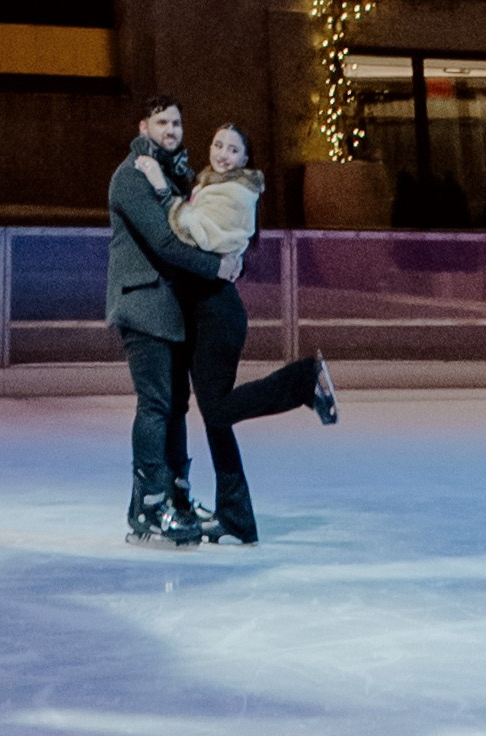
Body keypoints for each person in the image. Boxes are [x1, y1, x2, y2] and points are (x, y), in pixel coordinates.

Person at [175, 118, 338, 544]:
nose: (223, 153)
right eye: (218, 144)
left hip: (218, 314)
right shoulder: (211, 187)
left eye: (233, 149)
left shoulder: (237, 192)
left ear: (246, 159)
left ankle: (303, 379)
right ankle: (236, 517)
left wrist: (173, 207)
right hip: (207, 312)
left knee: (215, 411)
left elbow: (203, 235)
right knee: (216, 420)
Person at [105, 94, 242, 543]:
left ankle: (178, 498)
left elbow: (198, 227)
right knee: (157, 404)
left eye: (177, 123)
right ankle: (148, 507)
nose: (171, 130)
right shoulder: (130, 178)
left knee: (177, 406)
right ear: (143, 127)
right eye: (161, 122)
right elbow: (165, 241)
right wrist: (216, 267)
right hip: (144, 305)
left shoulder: (178, 176)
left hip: (175, 308)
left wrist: (230, 253)